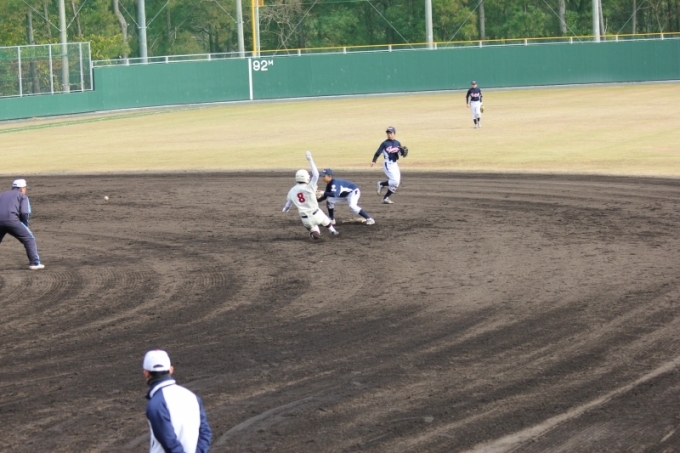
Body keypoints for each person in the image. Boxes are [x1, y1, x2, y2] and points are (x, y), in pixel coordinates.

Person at [142, 349, 212, 453]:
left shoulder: (156, 404)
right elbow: (205, 433)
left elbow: (169, 441)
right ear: (171, 369)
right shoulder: (192, 397)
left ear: (146, 373)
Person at [283, 151, 340, 239]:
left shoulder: (292, 191)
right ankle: (333, 231)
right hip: (316, 214)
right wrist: (310, 160)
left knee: (312, 228)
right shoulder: (309, 187)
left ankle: (314, 233)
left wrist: (285, 209)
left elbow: (288, 205)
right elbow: (316, 175)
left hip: (305, 219)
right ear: (306, 178)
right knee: (325, 220)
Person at [0, 179, 44, 270]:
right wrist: (24, 224)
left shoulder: (2, 195)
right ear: (21, 188)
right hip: (13, 221)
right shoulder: (22, 196)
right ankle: (35, 263)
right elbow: (25, 212)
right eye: (25, 188)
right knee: (29, 239)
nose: (25, 190)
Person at [371, 126, 407, 204]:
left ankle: (385, 198)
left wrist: (403, 152)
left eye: (391, 133)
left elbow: (399, 153)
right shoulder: (385, 143)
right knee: (394, 181)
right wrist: (374, 161)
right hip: (387, 163)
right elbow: (377, 153)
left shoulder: (397, 143)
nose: (389, 135)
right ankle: (381, 184)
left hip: (394, 164)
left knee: (396, 183)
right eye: (388, 133)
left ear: (394, 134)